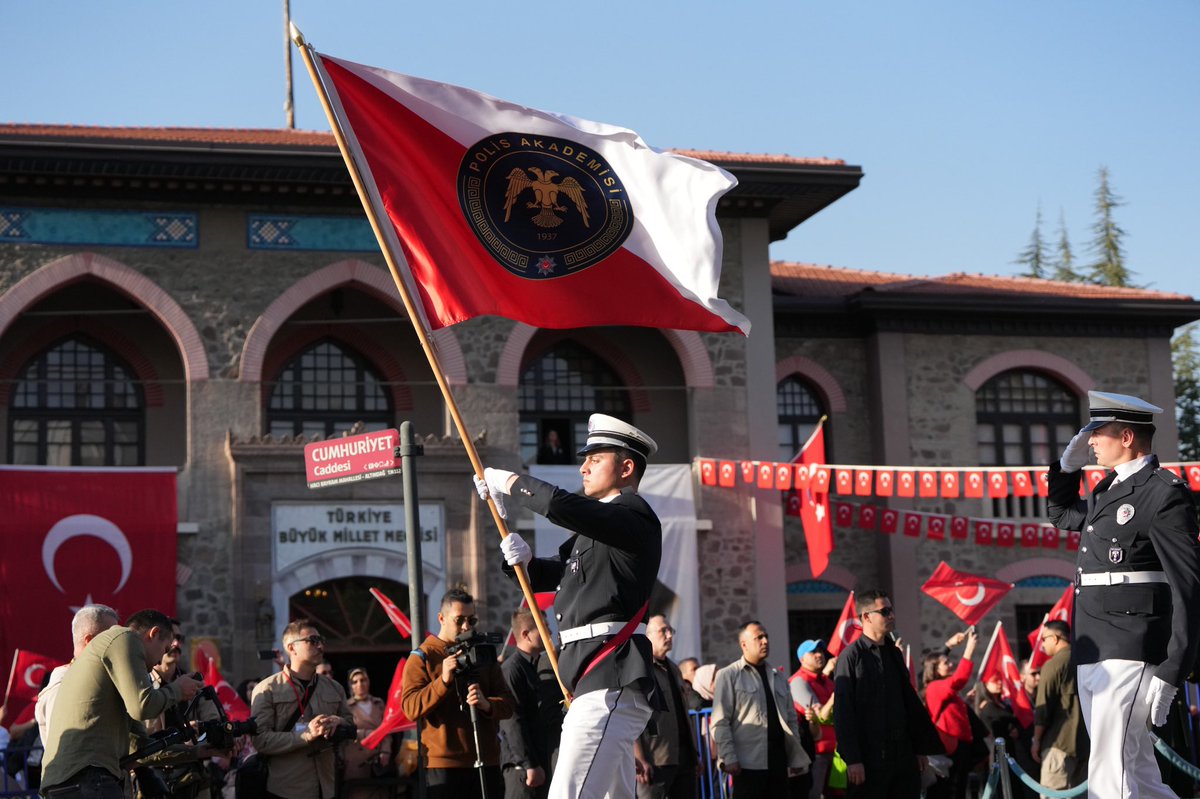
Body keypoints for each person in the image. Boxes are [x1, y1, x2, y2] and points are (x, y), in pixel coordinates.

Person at [478, 413, 663, 799]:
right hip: (589, 678)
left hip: (609, 676)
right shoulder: (596, 531)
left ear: (626, 467)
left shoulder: (633, 516)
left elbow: (561, 505)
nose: (584, 466)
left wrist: (509, 482)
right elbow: (558, 574)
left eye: (595, 459)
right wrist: (523, 562)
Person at [1047, 390, 1200, 798]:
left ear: (1127, 437)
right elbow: (1061, 515)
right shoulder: (1107, 490)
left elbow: (1188, 585)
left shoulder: (1164, 493)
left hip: (1133, 646)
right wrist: (1066, 466)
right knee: (1137, 772)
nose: (1090, 441)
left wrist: (1174, 668)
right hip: (1094, 644)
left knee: (1109, 769)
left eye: (1098, 433)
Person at [40, 608, 204, 798]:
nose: (160, 659)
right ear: (154, 633)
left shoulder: (106, 683)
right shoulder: (125, 637)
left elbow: (139, 747)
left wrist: (199, 751)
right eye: (165, 649)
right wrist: (177, 689)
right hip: (89, 778)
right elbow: (142, 706)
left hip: (64, 784)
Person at [401, 587, 514, 799]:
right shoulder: (423, 656)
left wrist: (486, 704)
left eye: (471, 621)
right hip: (444, 766)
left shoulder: (483, 652)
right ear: (441, 618)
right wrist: (443, 680)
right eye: (459, 620)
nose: (465, 626)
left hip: (486, 761)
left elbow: (508, 704)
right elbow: (410, 707)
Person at [833, 590, 944, 798]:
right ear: (866, 617)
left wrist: (919, 748)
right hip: (870, 757)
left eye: (891, 610)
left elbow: (908, 702)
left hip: (903, 754)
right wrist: (853, 759)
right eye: (884, 611)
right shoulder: (850, 657)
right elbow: (843, 711)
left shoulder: (893, 653)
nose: (891, 615)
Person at [249, 619, 354, 799]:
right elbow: (261, 741)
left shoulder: (334, 688)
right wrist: (305, 735)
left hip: (327, 787)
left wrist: (338, 723)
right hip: (286, 790)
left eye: (321, 640)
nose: (320, 646)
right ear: (291, 648)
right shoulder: (267, 689)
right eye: (312, 641)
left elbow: (351, 728)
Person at [711, 621, 810, 797]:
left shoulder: (778, 676)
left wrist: (795, 754)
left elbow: (791, 719)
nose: (765, 641)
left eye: (766, 637)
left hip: (778, 760)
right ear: (744, 645)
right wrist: (729, 757)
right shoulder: (729, 676)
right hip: (748, 763)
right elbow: (720, 722)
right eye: (759, 638)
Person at [633, 615, 699, 799]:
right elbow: (631, 714)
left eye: (671, 630)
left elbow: (683, 713)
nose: (669, 635)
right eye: (663, 631)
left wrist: (694, 754)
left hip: (684, 756)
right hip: (655, 759)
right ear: (647, 636)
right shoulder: (640, 669)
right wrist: (638, 757)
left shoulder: (674, 669)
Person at [35, 604, 120, 746]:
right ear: (89, 641)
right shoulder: (61, 686)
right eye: (111, 639)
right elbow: (61, 747)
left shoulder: (100, 679)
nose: (118, 645)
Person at [500, 608, 553, 799]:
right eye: (543, 627)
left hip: (539, 763)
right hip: (522, 771)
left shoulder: (536, 666)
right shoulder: (512, 670)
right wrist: (529, 764)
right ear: (526, 635)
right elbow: (513, 721)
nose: (550, 632)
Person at [921, 628, 979, 799]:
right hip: (950, 748)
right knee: (948, 791)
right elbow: (959, 680)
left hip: (958, 746)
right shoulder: (934, 686)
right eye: (946, 663)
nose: (950, 664)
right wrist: (969, 650)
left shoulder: (942, 686)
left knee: (958, 789)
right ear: (935, 669)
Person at [1031, 620, 1087, 795]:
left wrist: (1036, 740)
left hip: (1058, 747)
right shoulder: (1086, 662)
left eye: (1044, 639)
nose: (1043, 644)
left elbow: (1042, 709)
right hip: (1086, 746)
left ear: (1055, 638)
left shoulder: (1054, 664)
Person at [788, 639, 836, 799]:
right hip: (816, 755)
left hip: (836, 754)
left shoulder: (828, 682)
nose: (819, 654)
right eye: (813, 652)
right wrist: (835, 698)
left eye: (821, 651)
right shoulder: (799, 681)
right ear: (802, 659)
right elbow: (821, 715)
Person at [341, 667, 392, 799]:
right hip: (356, 760)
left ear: (368, 682)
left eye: (363, 680)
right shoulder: (346, 706)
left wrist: (386, 752)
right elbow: (345, 732)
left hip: (378, 759)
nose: (360, 684)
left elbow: (388, 729)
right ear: (350, 686)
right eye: (355, 681)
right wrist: (368, 734)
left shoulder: (379, 703)